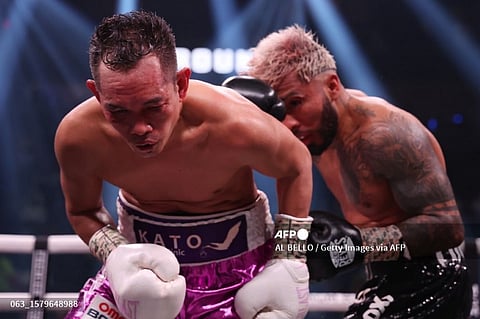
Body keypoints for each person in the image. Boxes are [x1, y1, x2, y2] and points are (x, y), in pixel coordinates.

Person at [54, 12, 315, 319]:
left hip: (239, 276)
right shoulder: (79, 138)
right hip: (138, 271)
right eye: (118, 111)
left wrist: (290, 256)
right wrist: (117, 255)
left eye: (153, 106)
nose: (139, 128)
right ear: (97, 95)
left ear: (180, 84)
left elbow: (297, 165)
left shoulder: (234, 124)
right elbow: (83, 211)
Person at [238, 24, 472, 318]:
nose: (290, 123)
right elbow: (288, 189)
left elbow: (448, 226)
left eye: (296, 103)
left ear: (333, 86)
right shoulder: (311, 134)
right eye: (282, 111)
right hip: (381, 276)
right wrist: (288, 259)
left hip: (435, 276)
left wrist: (358, 245)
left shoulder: (385, 134)